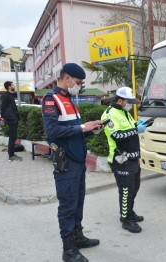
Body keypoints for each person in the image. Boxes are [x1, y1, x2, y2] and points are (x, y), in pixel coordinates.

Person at [42, 63, 102, 262]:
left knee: (78, 201)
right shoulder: (51, 100)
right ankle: (68, 249)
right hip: (65, 161)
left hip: (77, 159)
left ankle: (77, 236)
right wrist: (83, 127)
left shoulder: (69, 100)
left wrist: (91, 129)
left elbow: (74, 131)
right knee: (68, 204)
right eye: (78, 82)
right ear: (66, 78)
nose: (79, 86)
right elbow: (53, 132)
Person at [101, 86, 147, 233]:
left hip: (133, 158)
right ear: (120, 100)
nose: (130, 104)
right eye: (128, 101)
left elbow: (129, 128)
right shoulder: (108, 114)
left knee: (134, 188)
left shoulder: (124, 113)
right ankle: (125, 219)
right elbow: (117, 136)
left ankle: (129, 212)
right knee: (126, 191)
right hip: (120, 159)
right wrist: (135, 130)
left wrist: (137, 125)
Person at [0, 81, 22, 161]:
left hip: (13, 118)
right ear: (9, 86)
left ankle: (11, 153)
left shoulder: (10, 95)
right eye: (12, 85)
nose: (13, 86)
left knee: (13, 136)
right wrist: (2, 118)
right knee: (13, 136)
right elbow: (2, 107)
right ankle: (11, 155)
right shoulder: (5, 95)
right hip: (10, 118)